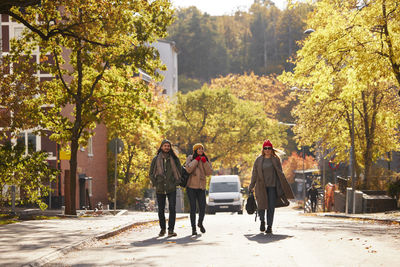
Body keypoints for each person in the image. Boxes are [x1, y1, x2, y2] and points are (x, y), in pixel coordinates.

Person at [249, 140, 294, 234]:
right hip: (261, 186)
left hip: (272, 187)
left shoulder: (275, 159)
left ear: (271, 149)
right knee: (261, 206)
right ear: (263, 149)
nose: (267, 150)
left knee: (270, 207)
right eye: (265, 148)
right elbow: (254, 173)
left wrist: (283, 186)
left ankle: (269, 226)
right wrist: (251, 186)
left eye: (269, 148)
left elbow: (280, 173)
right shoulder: (258, 160)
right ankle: (262, 221)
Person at [149, 139, 182, 237]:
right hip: (160, 188)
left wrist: (176, 183)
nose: (167, 147)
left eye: (168, 146)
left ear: (170, 147)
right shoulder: (156, 159)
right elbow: (151, 173)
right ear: (161, 147)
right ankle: (162, 229)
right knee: (161, 210)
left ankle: (170, 230)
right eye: (165, 146)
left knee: (172, 208)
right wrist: (155, 183)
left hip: (171, 188)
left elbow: (179, 172)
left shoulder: (175, 159)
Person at [185, 143, 213, 236]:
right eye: (199, 149)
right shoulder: (190, 158)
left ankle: (200, 223)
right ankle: (193, 228)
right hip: (191, 187)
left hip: (201, 187)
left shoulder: (205, 158)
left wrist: (204, 162)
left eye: (202, 149)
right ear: (195, 150)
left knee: (202, 207)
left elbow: (209, 172)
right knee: (193, 208)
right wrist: (196, 160)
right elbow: (188, 169)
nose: (201, 150)